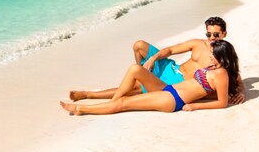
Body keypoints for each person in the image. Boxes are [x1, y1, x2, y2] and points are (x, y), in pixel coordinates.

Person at [61, 39, 244, 115]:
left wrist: (194, 106)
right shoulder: (215, 67)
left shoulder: (221, 73)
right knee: (135, 69)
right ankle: (107, 103)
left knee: (125, 103)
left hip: (173, 99)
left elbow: (222, 103)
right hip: (169, 89)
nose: (209, 56)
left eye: (213, 54)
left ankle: (81, 109)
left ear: (222, 57)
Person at [68, 16, 228, 102]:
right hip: (170, 67)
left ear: (224, 34)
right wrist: (153, 59)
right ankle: (142, 76)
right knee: (139, 45)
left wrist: (240, 90)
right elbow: (170, 50)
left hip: (176, 82)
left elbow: (235, 77)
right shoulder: (197, 43)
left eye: (215, 34)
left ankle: (87, 95)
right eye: (208, 34)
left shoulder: (223, 55)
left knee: (135, 89)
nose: (211, 38)